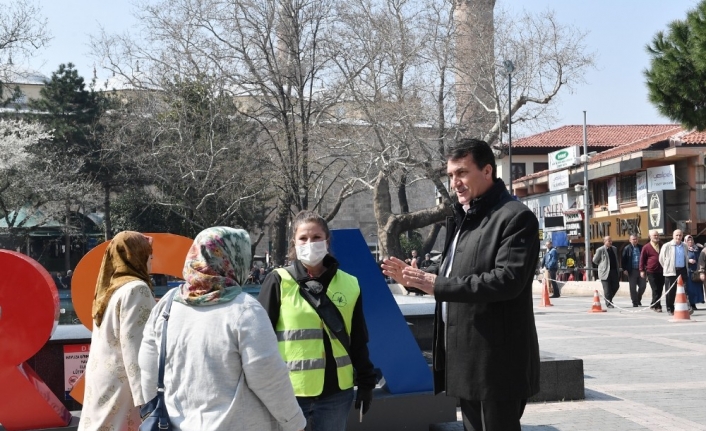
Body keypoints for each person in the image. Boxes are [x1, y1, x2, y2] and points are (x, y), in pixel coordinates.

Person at [382, 138, 540, 431]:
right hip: (463, 359)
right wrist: (418, 281)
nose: (455, 182)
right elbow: (456, 273)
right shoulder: (463, 217)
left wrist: (435, 284)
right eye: (451, 175)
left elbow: (506, 281)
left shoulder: (516, 218)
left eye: (462, 172)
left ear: (487, 171)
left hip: (496, 363)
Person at [139, 227, 305, 431]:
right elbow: (268, 379)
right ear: (235, 259)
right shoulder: (245, 310)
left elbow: (147, 370)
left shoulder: (167, 305)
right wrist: (296, 423)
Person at [258, 210, 376, 431]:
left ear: (327, 241)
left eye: (316, 238)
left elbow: (358, 338)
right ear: (294, 242)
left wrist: (366, 382)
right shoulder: (278, 281)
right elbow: (258, 340)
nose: (310, 243)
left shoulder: (351, 284)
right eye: (303, 238)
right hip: (290, 393)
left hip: (336, 395)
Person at [78, 231, 156, 431]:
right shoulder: (137, 289)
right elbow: (135, 347)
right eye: (149, 253)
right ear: (136, 255)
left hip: (102, 377)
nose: (152, 259)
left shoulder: (110, 289)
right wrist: (147, 400)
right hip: (124, 385)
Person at [659, 229, 689, 315]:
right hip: (671, 271)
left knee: (685, 290)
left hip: (682, 270)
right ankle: (670, 308)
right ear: (673, 236)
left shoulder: (684, 246)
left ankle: (685, 307)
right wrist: (667, 267)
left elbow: (686, 257)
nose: (678, 237)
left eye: (680, 235)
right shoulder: (667, 246)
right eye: (677, 235)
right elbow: (661, 259)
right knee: (670, 291)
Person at [640, 230, 664, 312]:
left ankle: (653, 304)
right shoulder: (646, 247)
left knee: (660, 289)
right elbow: (642, 259)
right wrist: (641, 270)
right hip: (651, 271)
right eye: (654, 235)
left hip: (661, 270)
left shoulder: (662, 245)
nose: (656, 237)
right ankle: (657, 306)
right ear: (650, 237)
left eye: (657, 235)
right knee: (655, 289)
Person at [592, 236, 620, 308]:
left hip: (614, 271)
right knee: (607, 289)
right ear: (604, 242)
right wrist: (602, 265)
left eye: (611, 241)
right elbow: (595, 260)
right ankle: (608, 303)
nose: (610, 242)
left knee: (616, 286)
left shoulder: (614, 249)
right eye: (608, 241)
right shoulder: (600, 250)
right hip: (605, 272)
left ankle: (608, 299)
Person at [621, 235, 645, 307]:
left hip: (641, 270)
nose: (635, 240)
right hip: (632, 270)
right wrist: (624, 269)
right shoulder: (627, 248)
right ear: (630, 240)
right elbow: (623, 259)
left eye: (636, 239)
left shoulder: (641, 247)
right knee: (633, 287)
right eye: (633, 239)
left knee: (643, 286)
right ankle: (635, 302)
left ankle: (638, 298)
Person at [685, 235, 704, 310]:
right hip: (688, 271)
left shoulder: (696, 249)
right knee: (690, 289)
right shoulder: (684, 249)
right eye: (688, 240)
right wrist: (688, 260)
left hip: (696, 271)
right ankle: (690, 304)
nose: (690, 242)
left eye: (691, 240)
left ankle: (694, 303)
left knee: (697, 288)